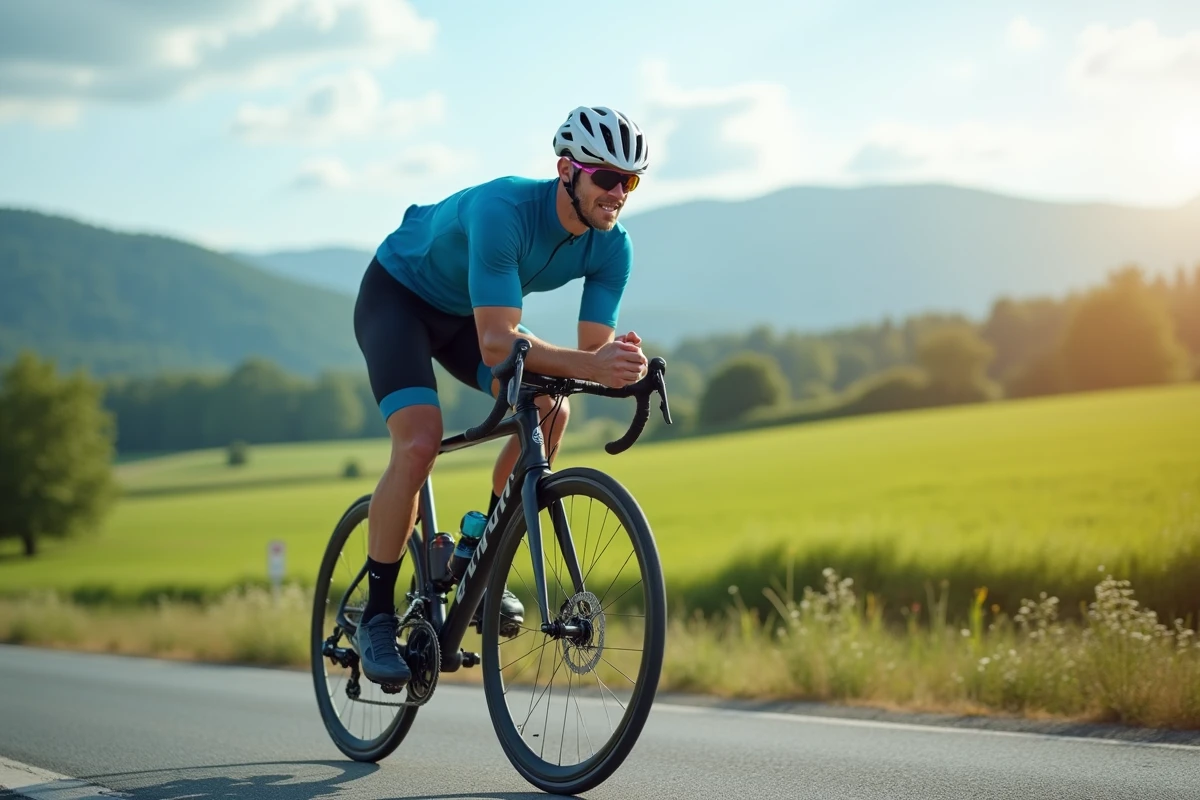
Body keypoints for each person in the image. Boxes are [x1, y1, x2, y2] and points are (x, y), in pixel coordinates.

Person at [351, 105, 652, 690]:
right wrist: (593, 362)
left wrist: (626, 366)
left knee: (551, 407)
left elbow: (592, 352)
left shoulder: (613, 247)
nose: (618, 193)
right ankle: (379, 614)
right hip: (399, 299)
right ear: (567, 170)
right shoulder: (505, 210)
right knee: (419, 443)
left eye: (630, 181)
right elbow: (496, 345)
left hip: (467, 313)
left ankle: (480, 564)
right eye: (607, 178)